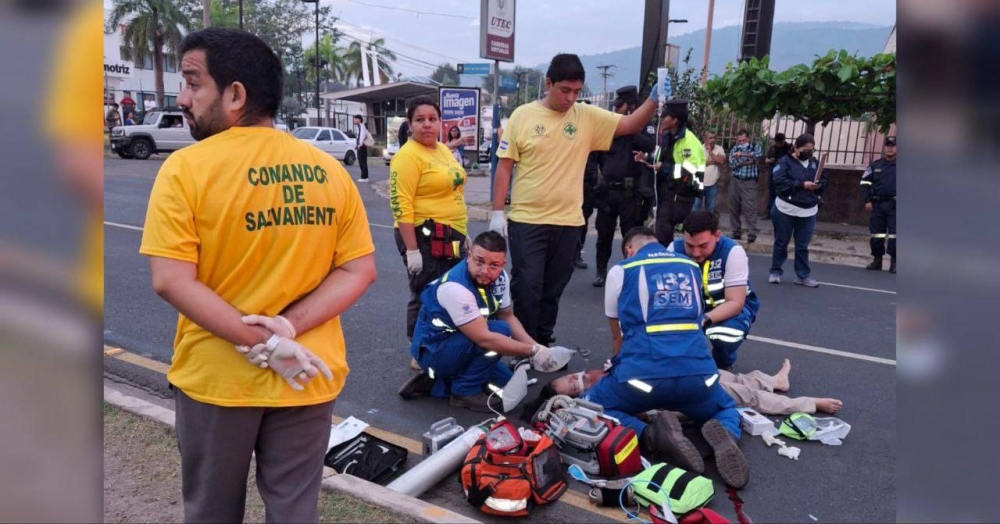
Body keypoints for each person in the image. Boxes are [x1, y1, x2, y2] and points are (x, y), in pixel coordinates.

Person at [138, 28, 377, 523]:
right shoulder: (329, 170)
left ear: (235, 94)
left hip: (219, 380)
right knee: (295, 511)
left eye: (192, 83)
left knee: (211, 512)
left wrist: (265, 342)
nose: (182, 98)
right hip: (308, 373)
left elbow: (171, 280)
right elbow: (358, 270)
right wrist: (286, 330)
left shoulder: (186, 169)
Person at [488, 53, 668, 346]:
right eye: (564, 90)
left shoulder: (586, 116)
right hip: (527, 220)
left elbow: (630, 124)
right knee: (528, 286)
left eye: (576, 92)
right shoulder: (523, 116)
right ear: (548, 83)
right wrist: (497, 213)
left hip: (569, 222)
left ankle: (542, 343)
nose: (571, 98)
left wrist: (652, 100)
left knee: (553, 288)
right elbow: (505, 165)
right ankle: (522, 347)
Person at [582, 226, 749, 488]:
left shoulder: (622, 270)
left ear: (629, 250)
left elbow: (618, 338)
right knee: (725, 408)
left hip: (643, 379)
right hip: (698, 377)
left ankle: (650, 435)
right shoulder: (691, 267)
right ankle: (724, 433)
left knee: (592, 405)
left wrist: (620, 373)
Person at [398, 231, 570, 413]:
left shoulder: (500, 278)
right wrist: (534, 352)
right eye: (479, 262)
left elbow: (507, 315)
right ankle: (463, 393)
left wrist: (539, 348)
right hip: (434, 349)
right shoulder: (456, 288)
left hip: (457, 342)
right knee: (499, 332)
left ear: (503, 264)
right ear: (469, 255)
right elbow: (484, 339)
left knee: (506, 382)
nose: (485, 271)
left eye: (494, 265)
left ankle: (435, 384)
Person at [389, 96, 468, 342]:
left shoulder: (443, 149)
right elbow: (401, 204)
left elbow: (454, 192)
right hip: (424, 234)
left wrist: (465, 234)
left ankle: (441, 342)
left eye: (432, 119)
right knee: (426, 292)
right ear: (409, 125)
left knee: (451, 291)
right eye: (420, 120)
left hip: (452, 233)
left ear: (440, 123)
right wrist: (412, 250)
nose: (427, 125)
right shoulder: (407, 156)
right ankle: (419, 346)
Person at [544, 359, 843, 417]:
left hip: (681, 376)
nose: (577, 380)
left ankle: (775, 381)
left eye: (571, 378)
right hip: (677, 396)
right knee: (743, 396)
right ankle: (806, 404)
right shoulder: (604, 396)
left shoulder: (611, 369)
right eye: (573, 388)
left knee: (725, 375)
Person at [668, 211, 759, 370]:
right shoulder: (673, 250)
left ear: (717, 236)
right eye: (689, 245)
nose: (696, 253)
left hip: (729, 308)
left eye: (703, 246)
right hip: (691, 308)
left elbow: (736, 302)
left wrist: (704, 319)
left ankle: (723, 364)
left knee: (725, 334)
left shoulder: (732, 252)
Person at [592, 86, 655, 287]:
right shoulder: (609, 126)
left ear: (631, 108)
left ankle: (631, 272)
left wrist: (631, 129)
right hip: (608, 191)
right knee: (604, 234)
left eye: (620, 106)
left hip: (630, 192)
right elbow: (598, 154)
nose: (615, 110)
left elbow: (650, 145)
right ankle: (601, 272)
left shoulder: (644, 126)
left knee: (631, 235)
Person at [769, 133, 828, 287]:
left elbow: (823, 180)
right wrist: (802, 185)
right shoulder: (784, 162)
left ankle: (803, 275)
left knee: (802, 245)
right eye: (805, 149)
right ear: (795, 148)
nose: (809, 153)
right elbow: (780, 183)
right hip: (785, 209)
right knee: (781, 242)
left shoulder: (814, 163)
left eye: (812, 150)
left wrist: (819, 185)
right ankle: (775, 271)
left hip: (808, 210)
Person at [647, 100, 706, 244]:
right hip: (667, 191)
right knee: (662, 231)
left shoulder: (689, 141)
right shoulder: (668, 137)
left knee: (663, 231)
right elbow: (661, 157)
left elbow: (691, 169)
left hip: (681, 194)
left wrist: (664, 168)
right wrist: (647, 158)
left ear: (675, 120)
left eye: (665, 116)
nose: (661, 119)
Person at [860, 136, 897, 273]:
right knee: (877, 234)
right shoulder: (875, 165)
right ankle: (877, 260)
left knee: (895, 235)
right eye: (888, 145)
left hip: (895, 206)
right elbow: (864, 183)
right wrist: (867, 200)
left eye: (892, 145)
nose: (890, 148)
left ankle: (895, 262)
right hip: (877, 205)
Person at [727, 129, 762, 242]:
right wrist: (747, 161)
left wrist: (741, 155)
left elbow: (758, 156)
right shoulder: (734, 148)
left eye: (743, 140)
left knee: (750, 208)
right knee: (734, 206)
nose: (741, 143)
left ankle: (752, 233)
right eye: (739, 141)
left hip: (749, 181)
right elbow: (732, 163)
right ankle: (736, 231)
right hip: (736, 180)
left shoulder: (755, 146)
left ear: (748, 139)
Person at [693, 131, 725, 213]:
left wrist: (710, 152)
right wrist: (713, 161)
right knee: (696, 207)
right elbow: (696, 164)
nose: (713, 140)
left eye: (714, 138)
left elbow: (721, 161)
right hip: (699, 182)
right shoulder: (699, 148)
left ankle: (709, 225)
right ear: (705, 139)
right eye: (710, 138)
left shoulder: (719, 148)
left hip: (712, 183)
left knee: (710, 208)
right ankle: (695, 225)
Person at [764, 133, 792, 216]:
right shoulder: (773, 148)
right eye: (777, 143)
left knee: (784, 194)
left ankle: (783, 213)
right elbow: (766, 159)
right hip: (774, 174)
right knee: (772, 193)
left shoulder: (790, 148)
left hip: (786, 175)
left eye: (781, 143)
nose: (779, 145)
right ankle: (770, 212)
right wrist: (770, 161)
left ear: (784, 140)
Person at [353, 114, 370, 182]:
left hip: (362, 146)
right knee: (362, 161)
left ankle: (364, 177)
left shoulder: (361, 126)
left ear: (359, 120)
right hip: (361, 146)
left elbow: (361, 136)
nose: (354, 120)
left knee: (362, 162)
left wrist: (359, 145)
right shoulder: (359, 126)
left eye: (355, 119)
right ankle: (364, 176)